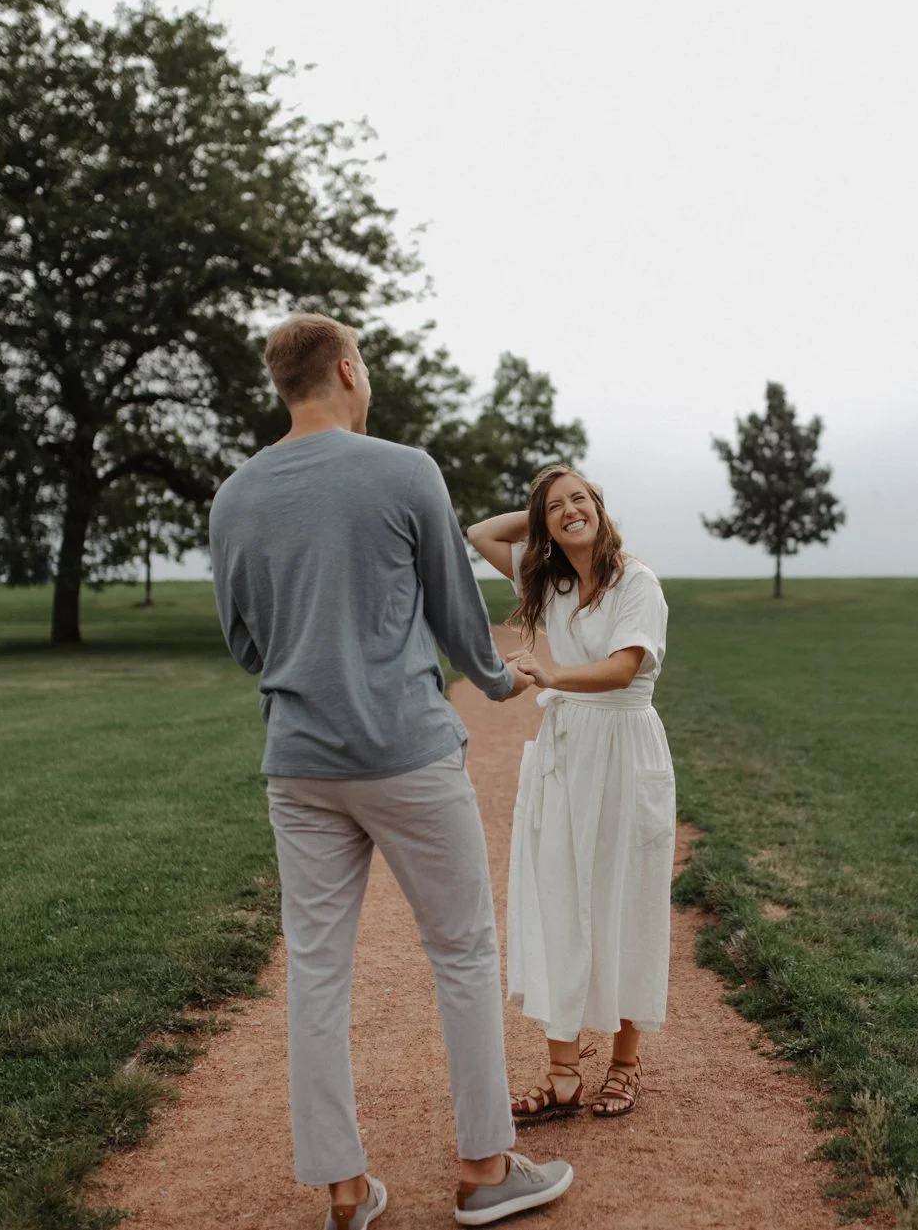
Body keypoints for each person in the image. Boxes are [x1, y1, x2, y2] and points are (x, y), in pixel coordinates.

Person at [209, 314, 574, 1230]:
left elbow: (245, 645)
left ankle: (345, 1190)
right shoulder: (406, 470)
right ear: (346, 369)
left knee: (316, 971)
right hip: (407, 753)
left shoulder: (234, 496)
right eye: (364, 364)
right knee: (462, 951)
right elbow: (458, 612)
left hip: (299, 764)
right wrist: (498, 678)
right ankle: (485, 1170)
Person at [466, 467, 675, 1124]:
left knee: (625, 898)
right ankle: (562, 1077)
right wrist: (540, 514)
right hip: (567, 752)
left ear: (601, 508)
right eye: (555, 507)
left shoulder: (636, 581)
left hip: (625, 749)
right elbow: (479, 533)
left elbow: (624, 668)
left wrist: (553, 676)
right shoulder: (551, 579)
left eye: (580, 498)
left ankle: (624, 1065)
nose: (569, 510)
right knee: (558, 896)